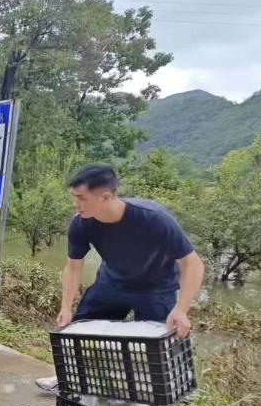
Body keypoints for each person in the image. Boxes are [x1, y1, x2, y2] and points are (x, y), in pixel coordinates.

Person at [36, 163, 205, 391]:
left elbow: (192, 264)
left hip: (156, 288)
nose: (76, 204)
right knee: (78, 331)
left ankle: (161, 397)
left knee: (161, 348)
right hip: (112, 284)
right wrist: (66, 307)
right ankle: (68, 379)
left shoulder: (153, 218)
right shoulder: (81, 223)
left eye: (82, 198)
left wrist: (182, 309)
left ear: (105, 197)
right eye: (74, 197)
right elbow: (73, 266)